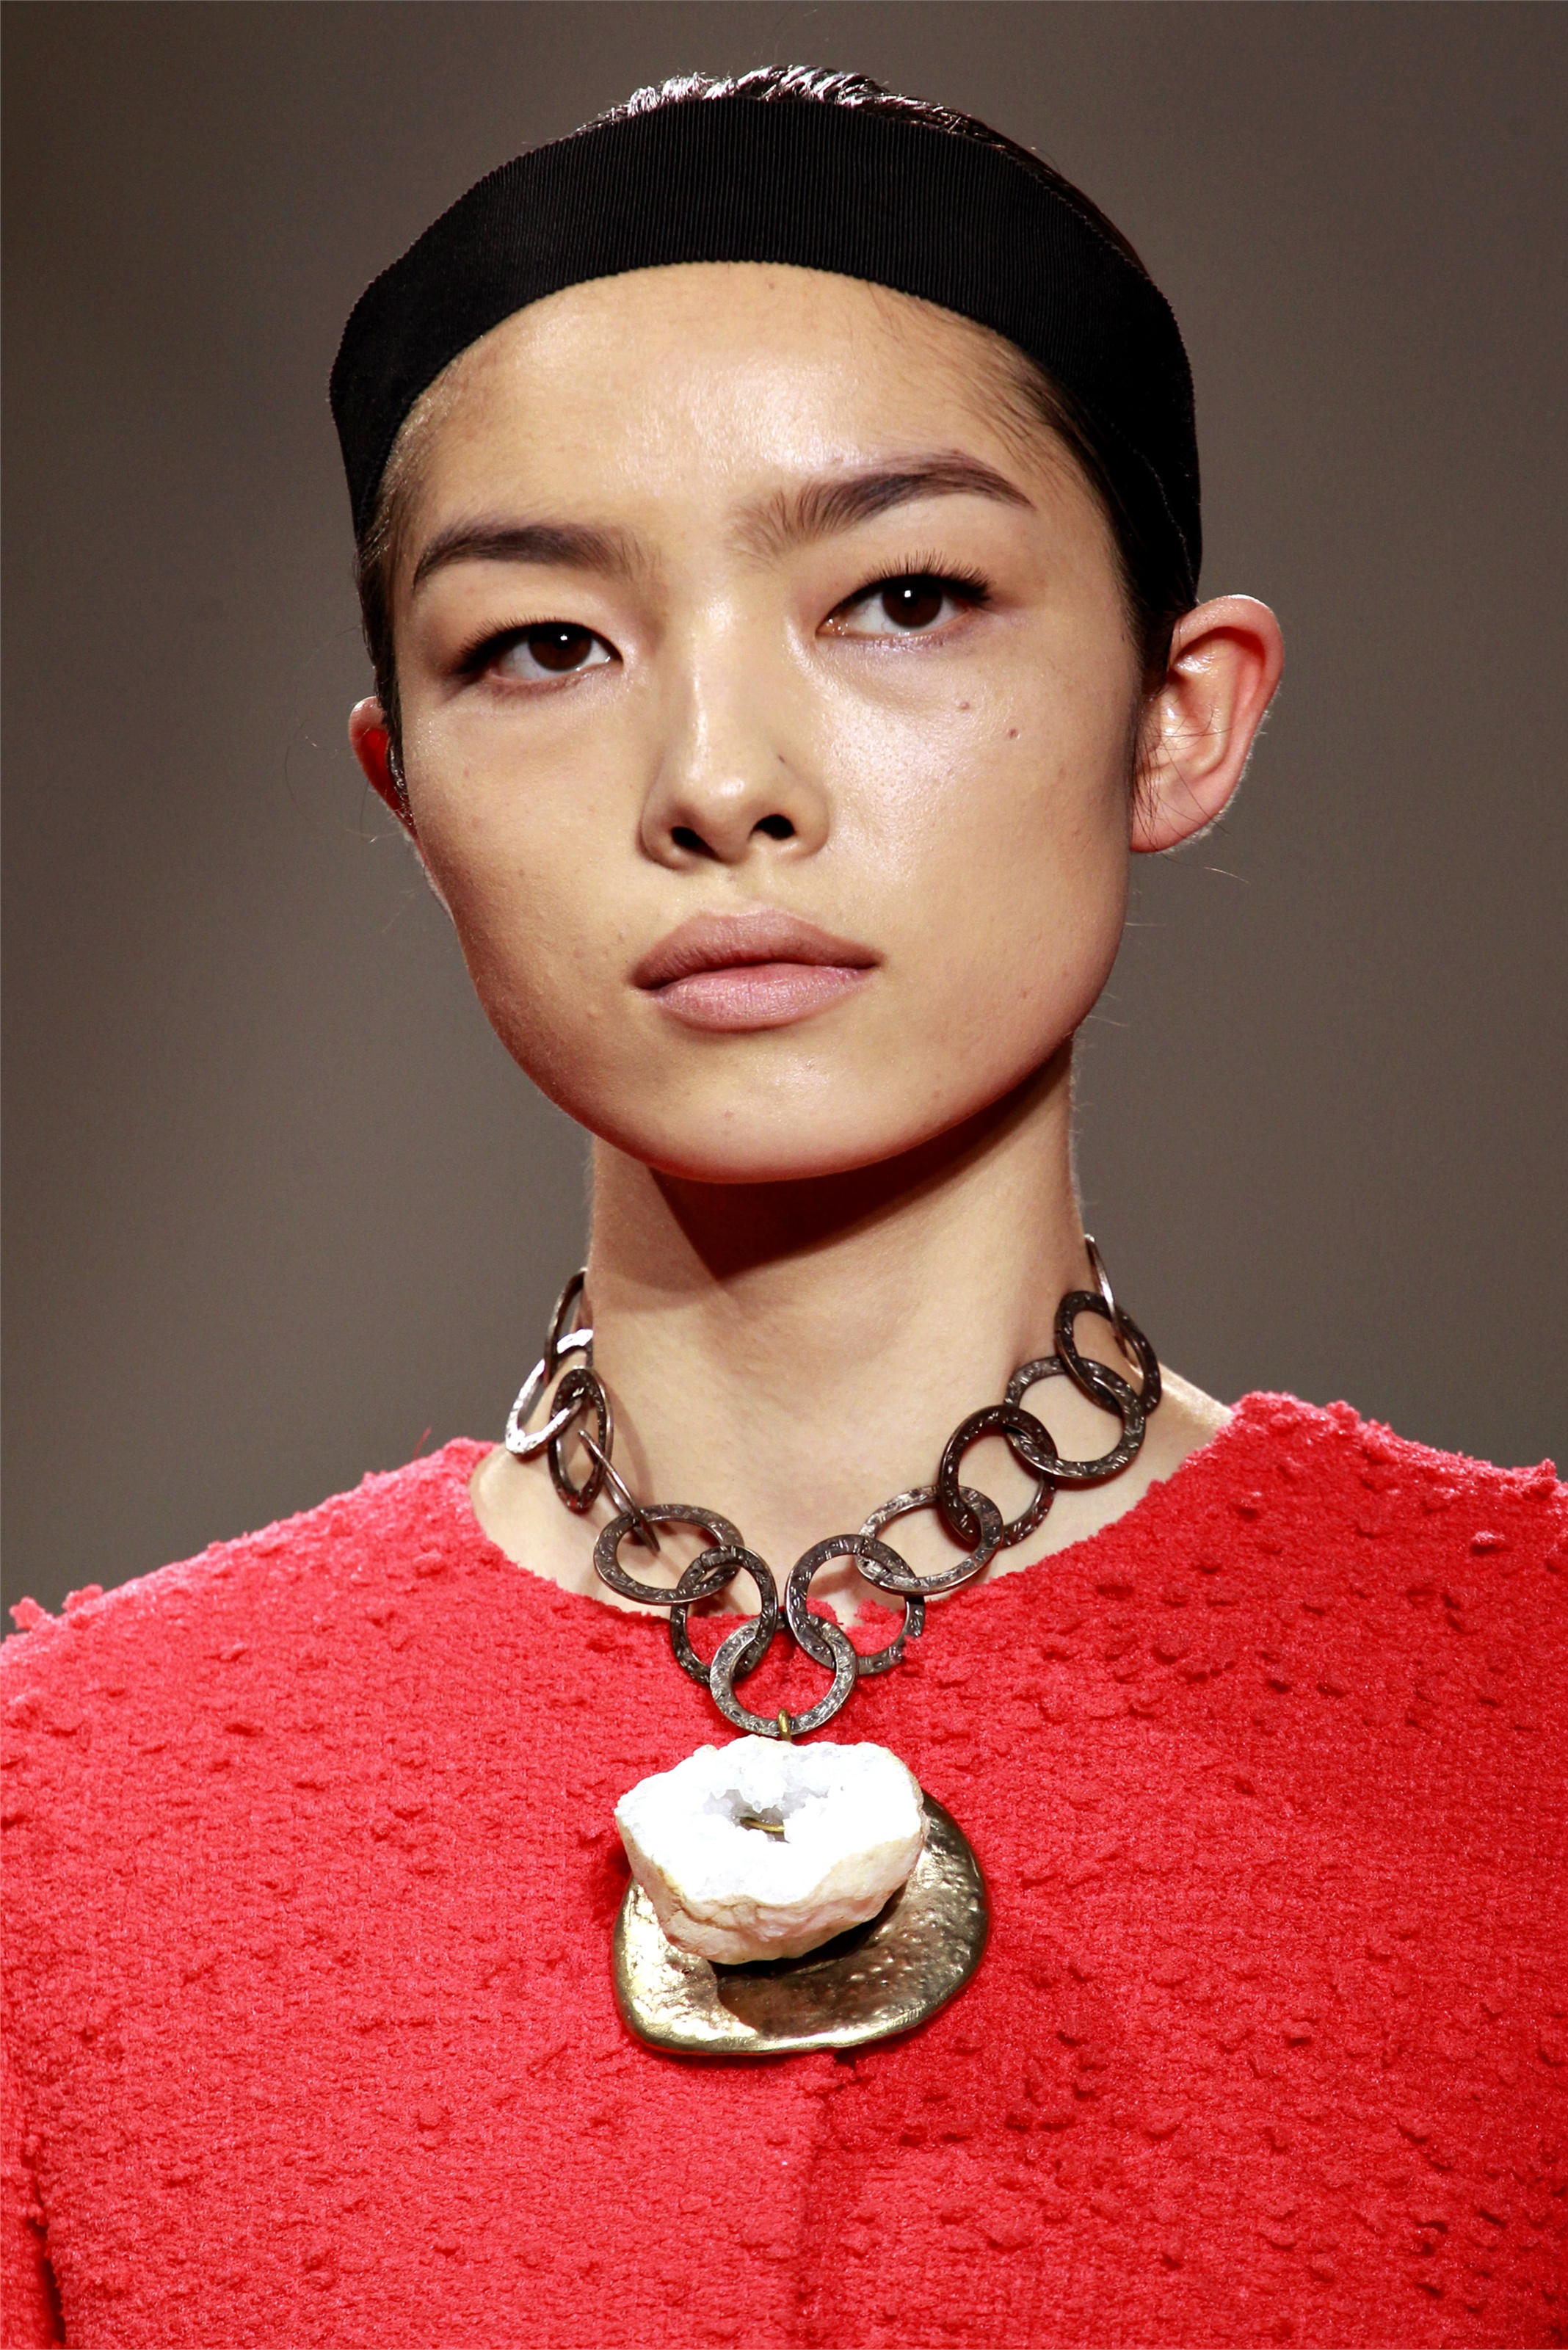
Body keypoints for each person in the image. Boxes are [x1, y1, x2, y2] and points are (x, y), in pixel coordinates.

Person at [2, 68, 1562, 2350]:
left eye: (905, 597)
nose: (719, 778)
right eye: (542, 644)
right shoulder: (70, 1825)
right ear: (404, 790)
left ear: (1178, 715)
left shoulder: (1532, 1720)